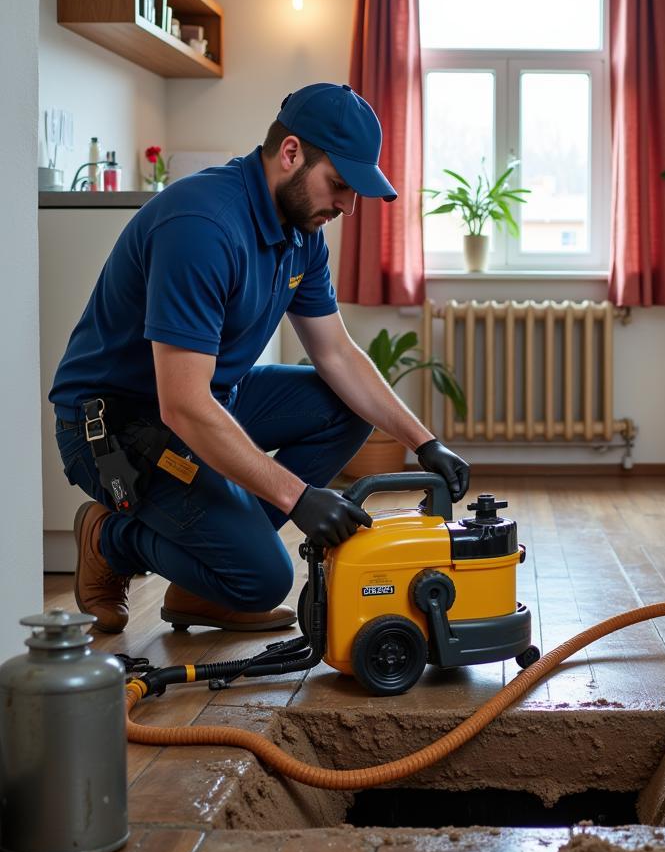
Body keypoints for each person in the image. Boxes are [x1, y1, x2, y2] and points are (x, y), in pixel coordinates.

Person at [50, 83, 469, 635]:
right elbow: (181, 406)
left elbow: (337, 353)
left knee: (343, 409)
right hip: (118, 429)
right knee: (264, 581)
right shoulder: (202, 228)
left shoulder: (301, 233)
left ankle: (207, 575)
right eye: (339, 184)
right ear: (291, 153)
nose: (347, 205)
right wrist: (297, 498)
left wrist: (424, 442)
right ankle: (110, 541)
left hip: (210, 402)